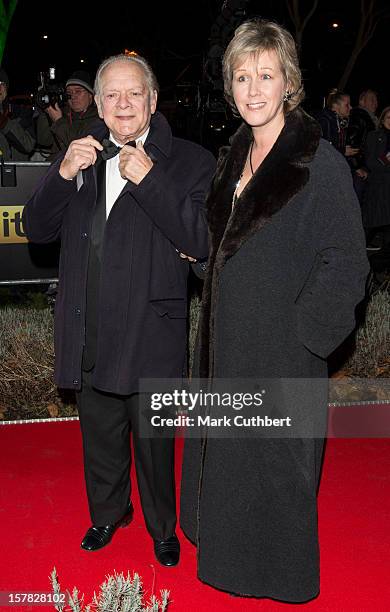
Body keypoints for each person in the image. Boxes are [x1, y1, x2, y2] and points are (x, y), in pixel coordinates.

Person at [180, 18, 369, 602]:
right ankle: (228, 566)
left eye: (266, 74)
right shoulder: (231, 158)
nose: (254, 88)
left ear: (289, 81)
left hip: (283, 350)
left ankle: (280, 579)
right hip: (225, 344)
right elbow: (225, 247)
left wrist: (305, 333)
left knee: (277, 473)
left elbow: (347, 261)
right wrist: (201, 261)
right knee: (233, 468)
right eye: (242, 76)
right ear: (230, 88)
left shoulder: (319, 163)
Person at [23, 54, 215, 566]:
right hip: (91, 329)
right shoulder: (80, 158)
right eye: (112, 94)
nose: (123, 103)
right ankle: (109, 513)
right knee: (100, 439)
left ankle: (162, 527)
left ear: (153, 100)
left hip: (151, 333)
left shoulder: (192, 161)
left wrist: (150, 179)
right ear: (100, 107)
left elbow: (202, 241)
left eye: (135, 93)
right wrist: (61, 174)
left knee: (154, 447)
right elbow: (36, 231)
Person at [36, 70, 100, 159]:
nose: (73, 96)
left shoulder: (99, 118)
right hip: (57, 167)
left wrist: (58, 122)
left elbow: (81, 149)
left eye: (78, 91)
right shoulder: (63, 114)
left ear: (90, 95)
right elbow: (43, 140)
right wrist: (47, 111)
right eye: (69, 93)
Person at [362, 106, 390, 250]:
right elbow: (371, 163)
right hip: (378, 190)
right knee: (371, 227)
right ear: (382, 119)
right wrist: (386, 159)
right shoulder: (374, 136)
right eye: (389, 117)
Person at [347, 89, 379, 202]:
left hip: (365, 168)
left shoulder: (372, 120)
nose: (375, 104)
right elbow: (351, 142)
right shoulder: (359, 116)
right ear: (361, 101)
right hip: (359, 171)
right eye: (372, 100)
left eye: (376, 101)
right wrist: (357, 167)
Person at [0, 67, 36, 160]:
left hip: (18, 172)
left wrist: (5, 123)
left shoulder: (21, 111)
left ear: (6, 88)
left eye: (1, 84)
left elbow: (28, 146)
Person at [316, 89, 358, 159]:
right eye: (347, 105)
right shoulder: (324, 121)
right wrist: (342, 151)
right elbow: (321, 149)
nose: (351, 107)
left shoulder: (341, 122)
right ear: (335, 106)